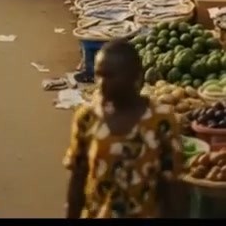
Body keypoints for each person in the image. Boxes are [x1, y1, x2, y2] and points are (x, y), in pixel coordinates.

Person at [64, 39, 181, 218]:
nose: (102, 83)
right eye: (99, 75)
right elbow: (77, 179)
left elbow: (171, 188)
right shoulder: (87, 118)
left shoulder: (161, 120)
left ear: (135, 76)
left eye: (110, 76)